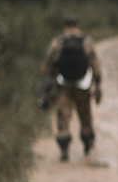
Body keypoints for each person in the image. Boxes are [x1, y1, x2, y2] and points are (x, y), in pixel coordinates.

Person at [41, 15, 102, 161]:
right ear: (78, 26)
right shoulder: (86, 41)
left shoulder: (58, 42)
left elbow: (47, 65)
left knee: (63, 117)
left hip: (63, 86)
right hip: (83, 85)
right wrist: (98, 82)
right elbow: (95, 63)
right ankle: (88, 142)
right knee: (85, 115)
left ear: (64, 26)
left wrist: (47, 83)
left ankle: (64, 149)